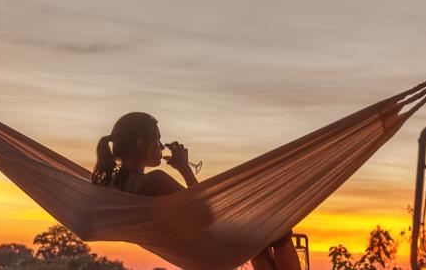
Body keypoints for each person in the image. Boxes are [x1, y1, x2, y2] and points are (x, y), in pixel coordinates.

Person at [91, 112, 301, 270]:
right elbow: (206, 213)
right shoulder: (152, 181)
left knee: (259, 239)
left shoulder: (111, 183)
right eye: (157, 141)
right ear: (140, 144)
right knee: (276, 227)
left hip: (191, 250)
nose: (161, 148)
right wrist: (184, 169)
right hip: (208, 247)